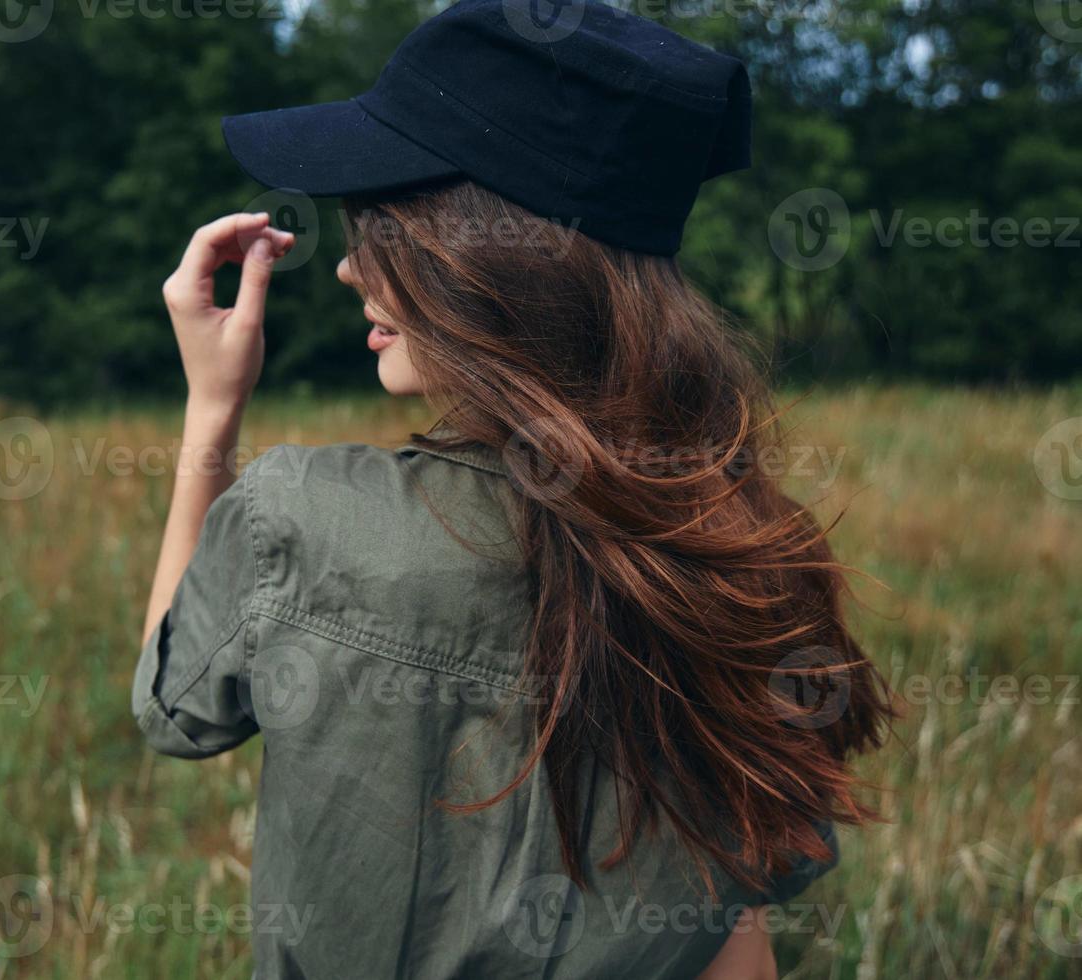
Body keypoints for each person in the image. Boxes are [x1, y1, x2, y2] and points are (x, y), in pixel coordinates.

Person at [134, 1, 893, 976]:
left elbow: (172, 705)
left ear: (485, 255)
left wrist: (212, 410)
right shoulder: (740, 553)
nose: (350, 263)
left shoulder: (303, 517)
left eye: (386, 224)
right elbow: (727, 931)